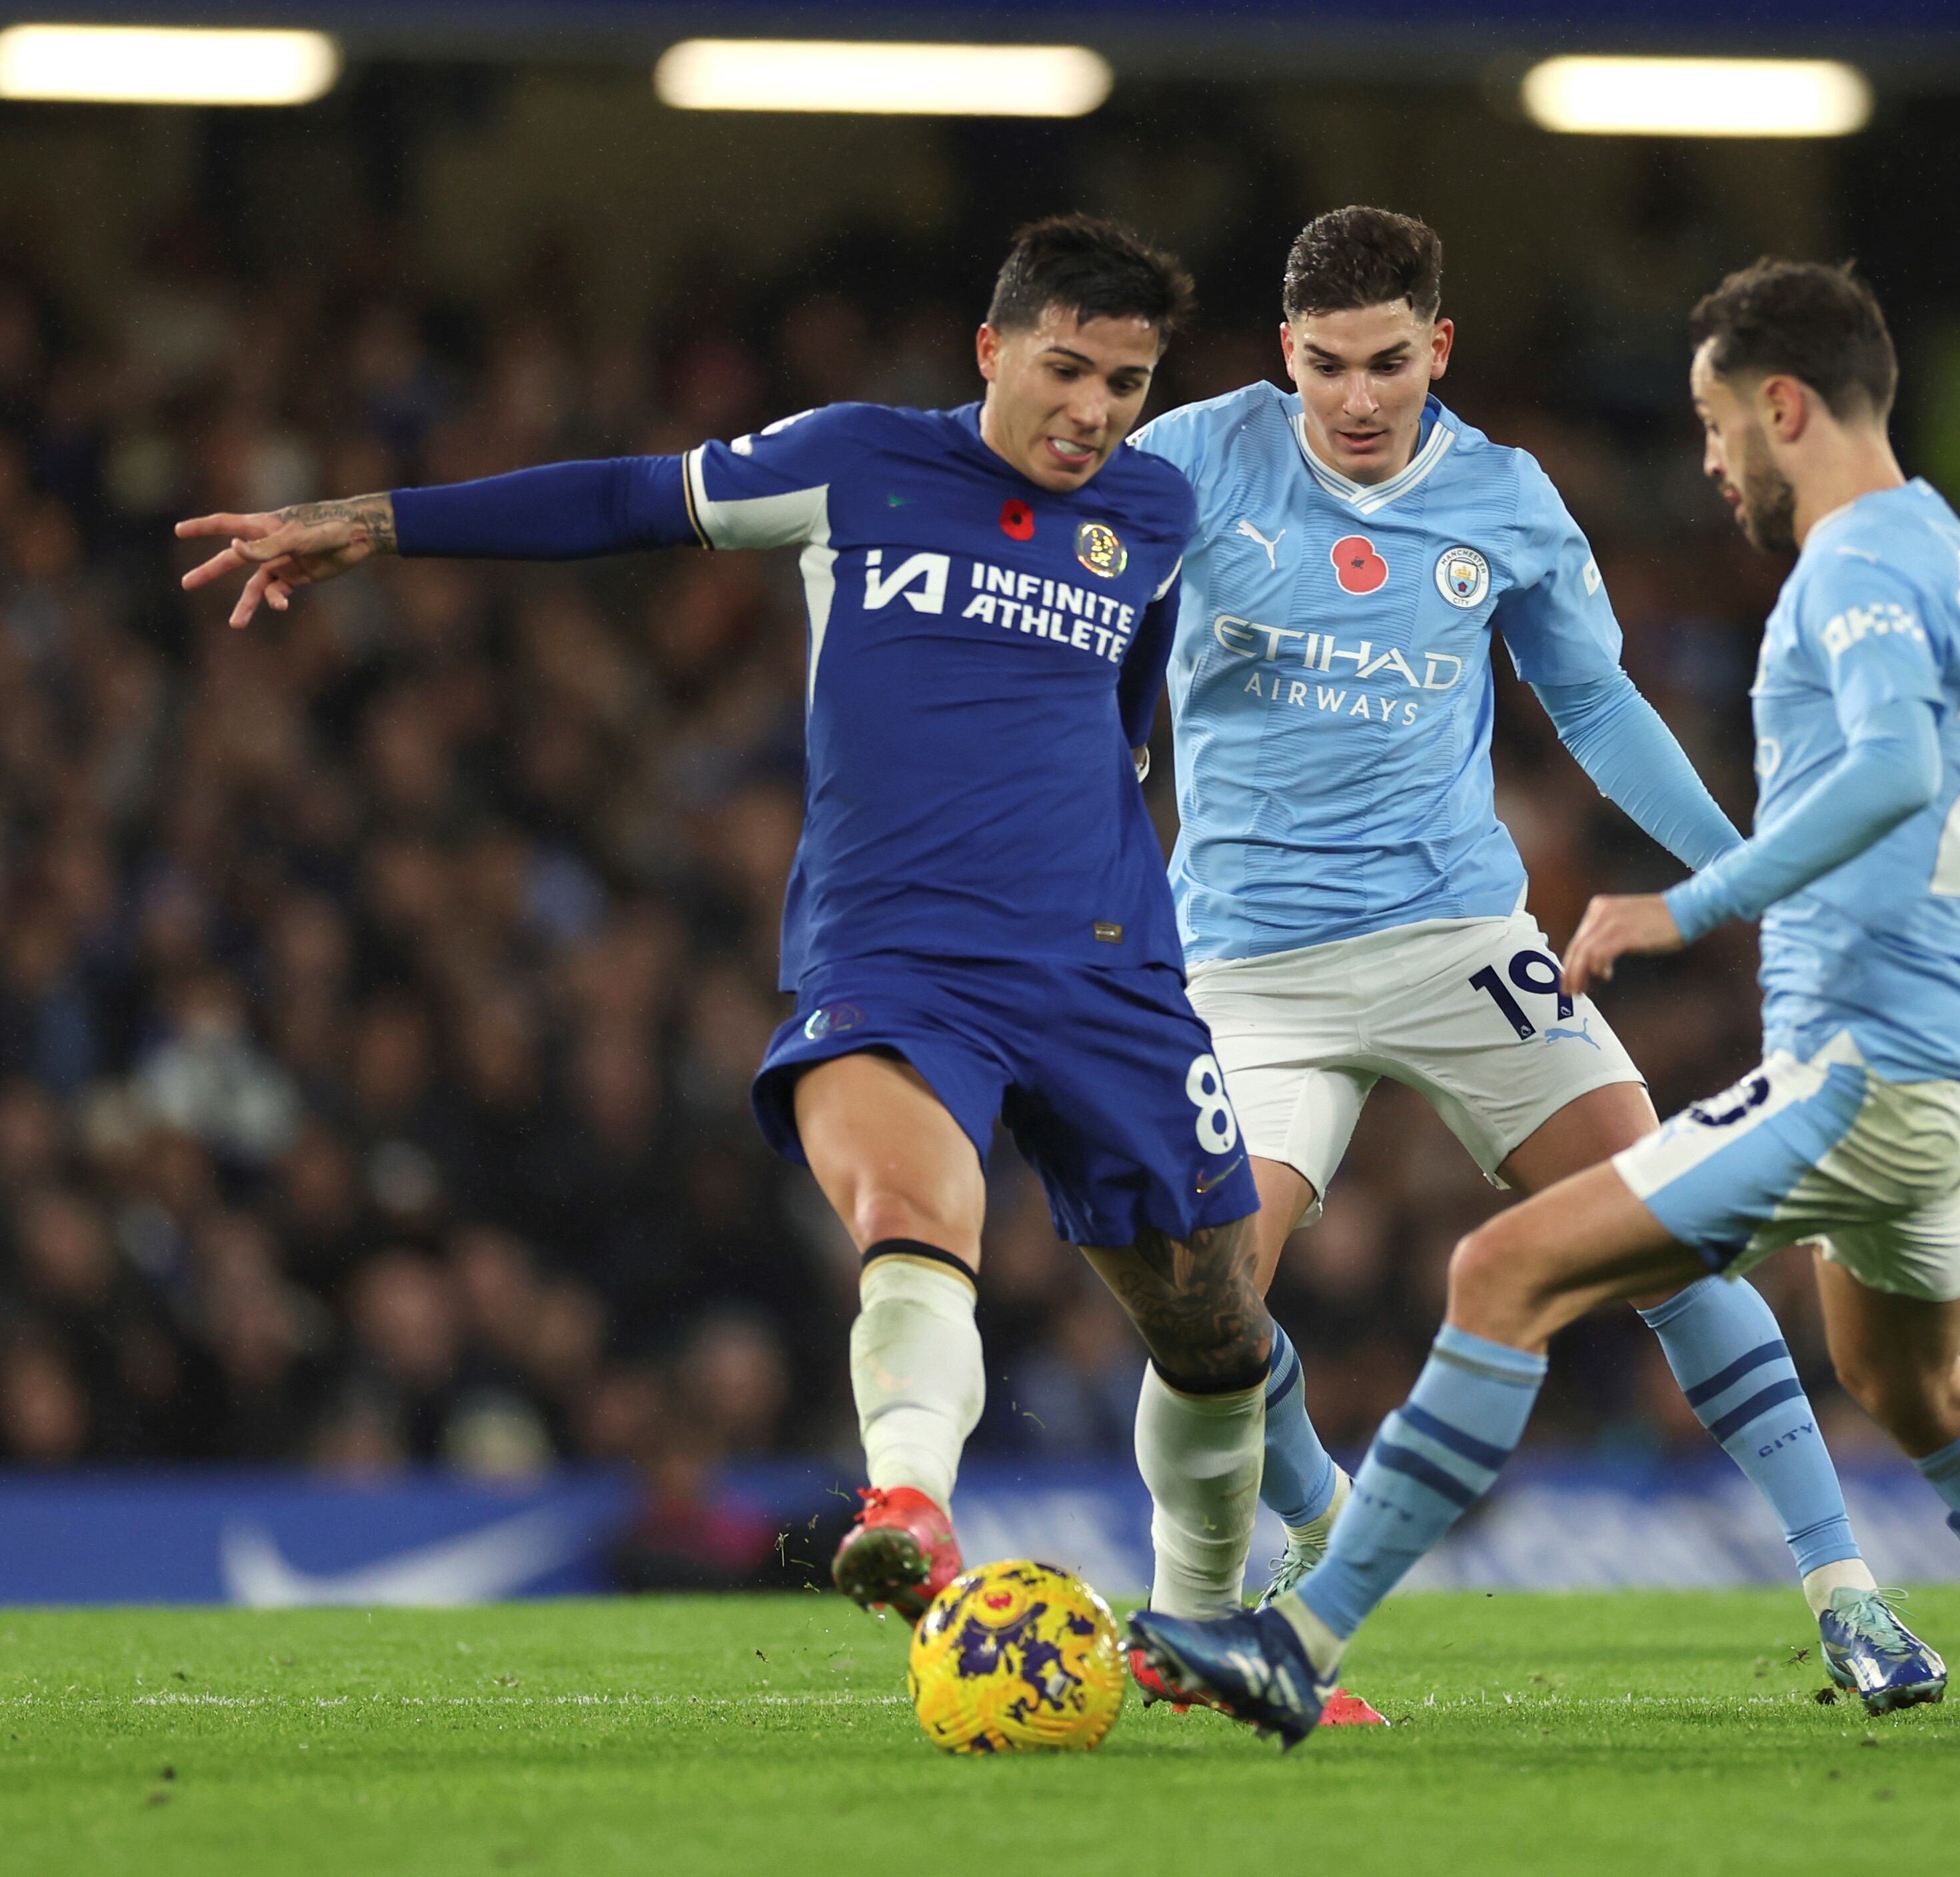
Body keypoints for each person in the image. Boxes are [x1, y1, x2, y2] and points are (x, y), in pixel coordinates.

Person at [1122, 258, 1960, 1752]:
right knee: (1217, 1298)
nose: (1359, 395)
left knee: (1582, 1256)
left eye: (1389, 360)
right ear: (1286, 355)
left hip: (1492, 944)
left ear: (1436, 348)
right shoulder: (1191, 456)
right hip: (1257, 965)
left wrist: (1708, 889)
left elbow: (1637, 715)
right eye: (1328, 364)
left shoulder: (1615, 520)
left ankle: (1816, 1587)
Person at [177, 215, 1272, 1625]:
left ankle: (1208, 1625)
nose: (1094, 413)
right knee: (908, 1208)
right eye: (1067, 371)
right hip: (900, 957)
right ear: (990, 348)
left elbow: (1127, 722)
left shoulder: (1153, 519)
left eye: (1125, 386)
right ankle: (911, 1504)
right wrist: (385, 525)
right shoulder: (858, 461)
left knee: (1217, 1331)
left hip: (1105, 964)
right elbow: (628, 498)